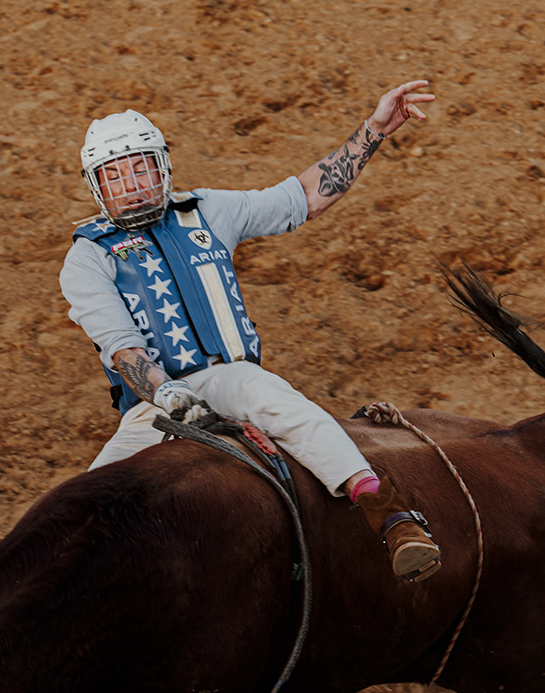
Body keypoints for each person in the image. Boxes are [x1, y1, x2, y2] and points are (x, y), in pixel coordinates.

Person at [60, 80, 443, 582]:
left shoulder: (207, 211)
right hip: (153, 405)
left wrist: (374, 129)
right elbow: (123, 351)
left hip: (229, 378)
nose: (130, 185)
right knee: (85, 505)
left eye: (140, 167)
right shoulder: (87, 257)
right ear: (96, 186)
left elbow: (303, 196)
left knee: (285, 407)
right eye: (114, 175)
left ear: (162, 167)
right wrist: (170, 395)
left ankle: (390, 516)